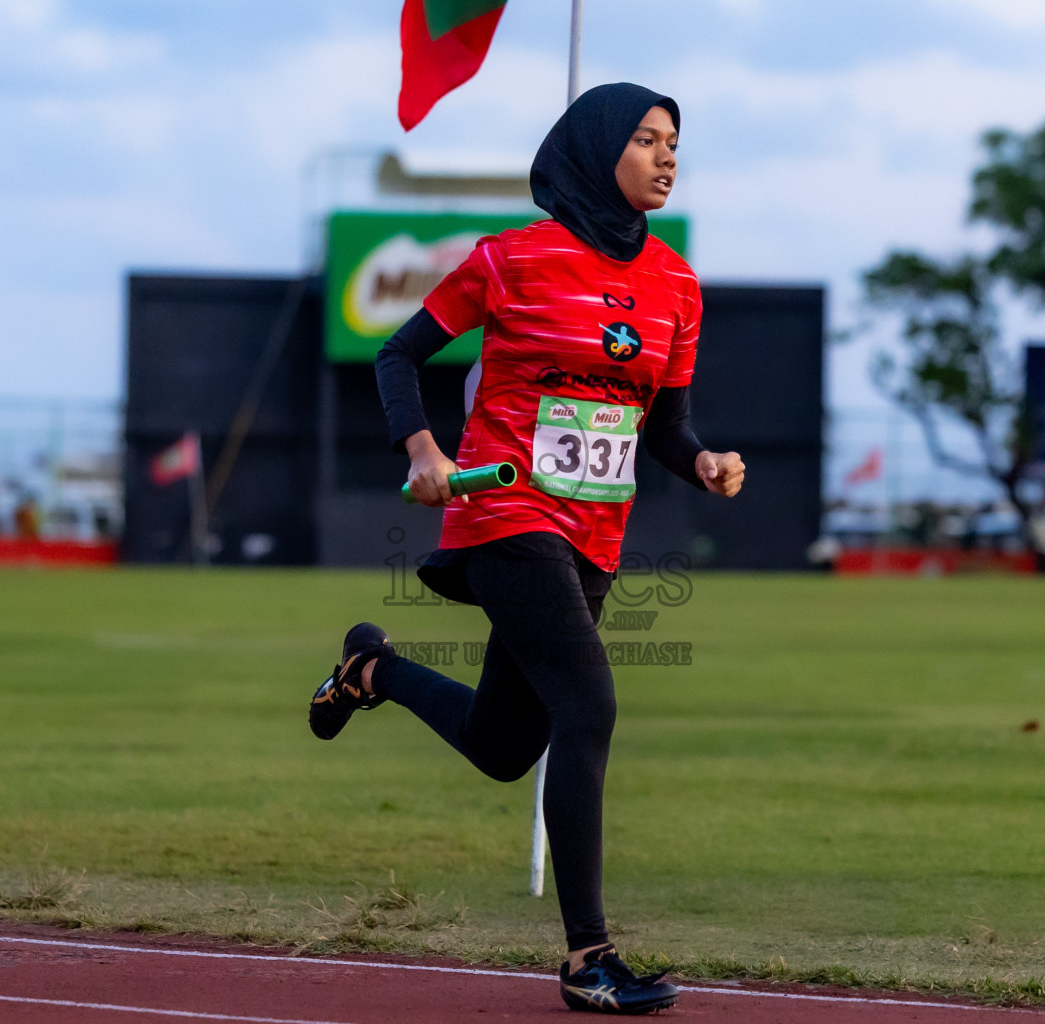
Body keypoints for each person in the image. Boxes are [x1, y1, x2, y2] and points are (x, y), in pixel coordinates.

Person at [310, 82, 744, 1015]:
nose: (668, 156)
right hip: (507, 517)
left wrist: (702, 459)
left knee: (506, 744)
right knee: (590, 707)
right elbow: (397, 356)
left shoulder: (677, 284)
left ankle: (370, 671)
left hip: (596, 533)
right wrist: (422, 446)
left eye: (675, 141)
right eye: (645, 139)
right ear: (596, 151)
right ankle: (589, 958)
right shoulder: (511, 261)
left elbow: (665, 424)